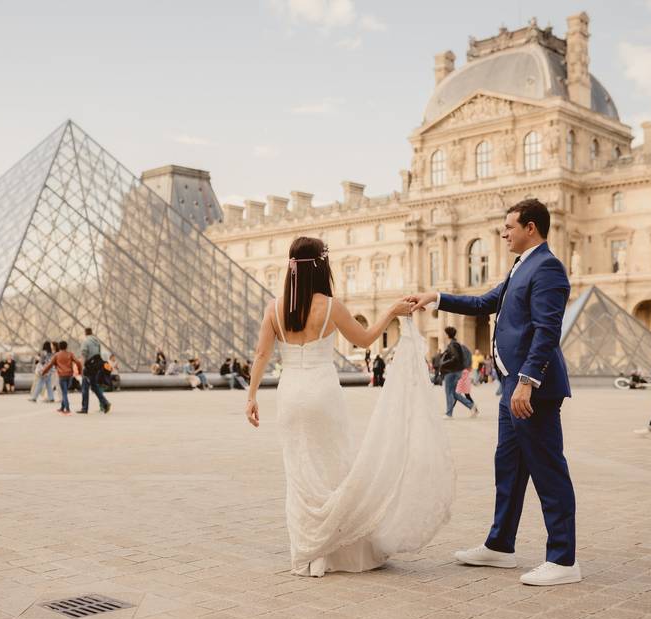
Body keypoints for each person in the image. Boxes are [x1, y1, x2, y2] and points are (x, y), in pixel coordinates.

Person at [245, 236, 450, 578]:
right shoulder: (330, 306)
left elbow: (261, 355)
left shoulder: (274, 307)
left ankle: (309, 552)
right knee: (334, 468)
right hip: (323, 393)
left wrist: (251, 396)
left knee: (299, 473)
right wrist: (390, 312)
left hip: (290, 393)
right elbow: (366, 339)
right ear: (322, 266)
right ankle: (337, 549)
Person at [409, 198, 580, 586]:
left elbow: (547, 329)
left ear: (531, 228)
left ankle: (564, 559)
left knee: (548, 471)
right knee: (509, 469)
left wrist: (527, 380)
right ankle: (500, 545)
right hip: (511, 389)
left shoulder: (548, 267)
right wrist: (435, 297)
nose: (503, 233)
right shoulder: (522, 266)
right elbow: (485, 302)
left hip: (529, 390)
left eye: (509, 227)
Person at [439, 327, 478, 419]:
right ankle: (471, 406)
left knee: (449, 392)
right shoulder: (456, 344)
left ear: (447, 335)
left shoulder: (452, 345)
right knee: (454, 393)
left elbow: (455, 358)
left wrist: (443, 364)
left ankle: (449, 414)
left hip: (451, 371)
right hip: (457, 371)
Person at [42, 340, 82, 415]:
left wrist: (44, 372)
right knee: (65, 391)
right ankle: (62, 408)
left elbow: (50, 365)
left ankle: (67, 409)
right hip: (69, 376)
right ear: (66, 347)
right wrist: (80, 371)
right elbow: (78, 362)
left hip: (62, 376)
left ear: (59, 347)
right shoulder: (70, 354)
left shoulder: (56, 355)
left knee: (64, 393)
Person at [79, 328, 111, 415]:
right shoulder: (97, 342)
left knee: (85, 387)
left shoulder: (85, 342)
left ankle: (84, 408)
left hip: (89, 367)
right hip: (96, 366)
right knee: (94, 386)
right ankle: (105, 403)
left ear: (85, 333)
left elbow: (83, 355)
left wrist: (81, 367)